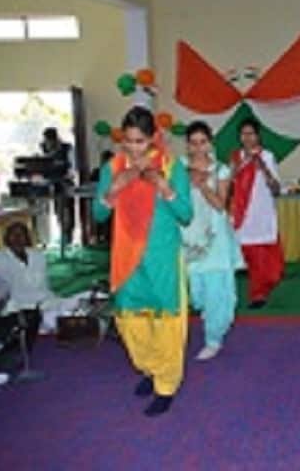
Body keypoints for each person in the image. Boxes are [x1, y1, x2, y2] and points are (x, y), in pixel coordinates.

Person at [93, 106, 193, 417]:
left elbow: (186, 215)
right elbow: (98, 215)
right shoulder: (113, 168)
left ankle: (166, 385)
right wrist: (114, 189)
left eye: (140, 141)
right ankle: (151, 369)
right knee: (131, 321)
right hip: (126, 258)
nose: (133, 148)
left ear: (153, 138)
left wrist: (165, 188)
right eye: (128, 141)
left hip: (162, 256)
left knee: (167, 321)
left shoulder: (172, 166)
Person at [182, 121, 243, 360]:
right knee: (195, 290)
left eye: (203, 142)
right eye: (193, 143)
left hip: (215, 236)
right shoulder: (179, 168)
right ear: (187, 145)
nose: (198, 148)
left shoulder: (221, 170)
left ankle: (213, 338)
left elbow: (220, 205)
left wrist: (203, 186)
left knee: (216, 289)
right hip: (187, 235)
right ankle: (206, 315)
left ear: (210, 143)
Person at [230, 118, 284, 309]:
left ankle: (262, 289)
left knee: (266, 261)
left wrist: (262, 167)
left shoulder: (267, 156)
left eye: (251, 134)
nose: (247, 138)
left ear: (258, 136)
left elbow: (276, 189)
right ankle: (256, 294)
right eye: (243, 134)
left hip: (262, 213)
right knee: (249, 258)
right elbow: (228, 184)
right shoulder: (236, 158)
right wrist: (236, 170)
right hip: (242, 213)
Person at [0, 222, 89, 334]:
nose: (17, 238)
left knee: (87, 297)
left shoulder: (38, 256)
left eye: (21, 234)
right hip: (21, 309)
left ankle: (69, 318)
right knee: (54, 318)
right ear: (6, 238)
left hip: (48, 301)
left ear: (27, 238)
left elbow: (46, 286)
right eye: (13, 234)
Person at [42, 127, 75, 244]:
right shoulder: (45, 149)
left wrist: (67, 176)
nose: (48, 143)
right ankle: (63, 234)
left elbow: (72, 167)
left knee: (67, 211)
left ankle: (69, 236)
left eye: (50, 140)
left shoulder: (67, 148)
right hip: (53, 185)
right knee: (58, 211)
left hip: (65, 183)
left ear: (55, 139)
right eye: (46, 141)